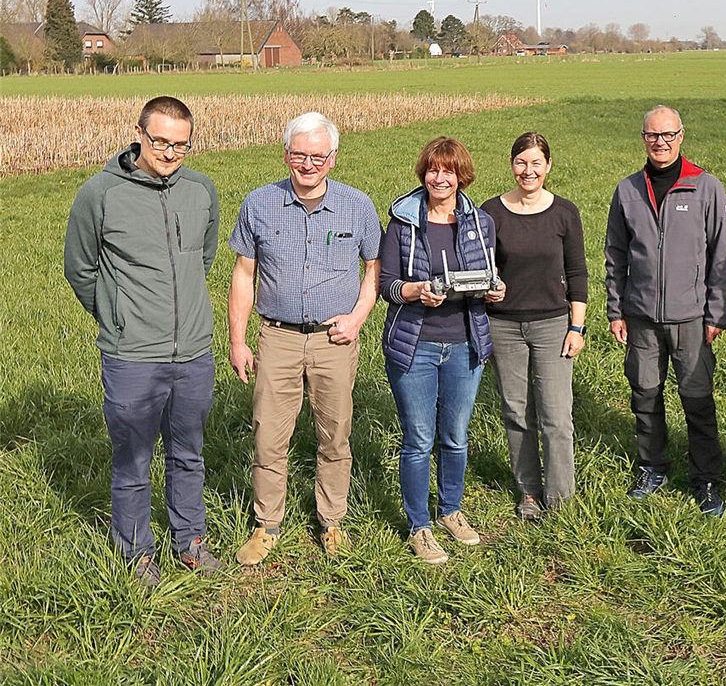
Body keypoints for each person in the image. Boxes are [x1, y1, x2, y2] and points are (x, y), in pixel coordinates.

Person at [64, 96, 222, 586]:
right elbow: (80, 267)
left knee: (188, 453)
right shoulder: (101, 193)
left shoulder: (201, 190)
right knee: (133, 459)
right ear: (138, 134)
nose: (169, 152)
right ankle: (136, 554)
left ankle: (189, 540)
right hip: (132, 357)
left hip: (194, 352)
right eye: (160, 141)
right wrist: (117, 315)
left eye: (181, 144)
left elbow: (204, 257)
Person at [228, 112, 381, 565]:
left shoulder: (358, 206)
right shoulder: (259, 203)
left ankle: (331, 522)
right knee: (269, 437)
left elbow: (374, 271)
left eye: (318, 156)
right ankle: (266, 525)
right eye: (300, 155)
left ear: (333, 158)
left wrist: (356, 319)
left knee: (335, 436)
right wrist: (238, 341)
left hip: (335, 340)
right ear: (286, 155)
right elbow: (243, 275)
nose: (308, 164)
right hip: (278, 338)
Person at [605, 105, 726, 516]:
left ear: (681, 137)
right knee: (644, 395)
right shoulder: (627, 190)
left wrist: (716, 314)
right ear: (642, 139)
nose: (660, 143)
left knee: (697, 400)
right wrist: (616, 310)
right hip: (640, 316)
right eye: (652, 136)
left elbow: (722, 257)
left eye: (668, 135)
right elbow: (615, 254)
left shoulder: (705, 186)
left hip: (692, 318)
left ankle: (707, 479)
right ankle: (652, 466)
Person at [380, 137, 504, 563]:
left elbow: (488, 273)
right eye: (434, 170)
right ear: (424, 173)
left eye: (448, 171)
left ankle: (451, 510)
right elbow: (386, 286)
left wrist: (495, 289)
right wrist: (414, 291)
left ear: (461, 176)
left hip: (465, 344)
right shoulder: (402, 221)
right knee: (418, 438)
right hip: (415, 346)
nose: (440, 178)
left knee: (454, 436)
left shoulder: (479, 222)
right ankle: (420, 525)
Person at [482, 133, 588, 521]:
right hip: (504, 326)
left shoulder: (564, 213)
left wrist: (577, 328)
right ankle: (528, 491)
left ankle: (560, 499)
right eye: (521, 163)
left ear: (548, 166)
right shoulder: (490, 212)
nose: (528, 171)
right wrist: (487, 291)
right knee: (516, 411)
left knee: (557, 416)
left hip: (553, 326)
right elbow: (481, 269)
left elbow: (577, 272)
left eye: (536, 163)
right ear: (512, 165)